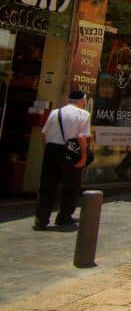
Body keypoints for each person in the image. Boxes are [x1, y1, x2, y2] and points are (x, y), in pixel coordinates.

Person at [34, 90, 91, 230]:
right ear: (82, 101)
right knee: (71, 186)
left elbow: (44, 134)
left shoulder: (55, 112)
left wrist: (47, 151)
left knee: (47, 186)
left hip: (52, 150)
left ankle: (41, 219)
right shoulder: (83, 114)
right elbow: (82, 138)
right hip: (70, 152)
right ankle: (64, 216)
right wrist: (84, 157)